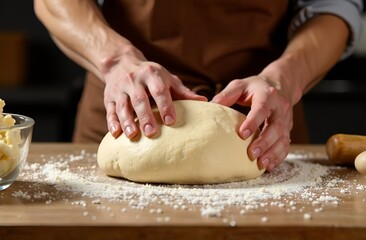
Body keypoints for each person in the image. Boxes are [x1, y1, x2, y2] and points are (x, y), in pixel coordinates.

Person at [34, 0, 363, 172]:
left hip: (262, 124)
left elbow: (333, 8)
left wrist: (284, 79)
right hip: (129, 113)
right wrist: (115, 60)